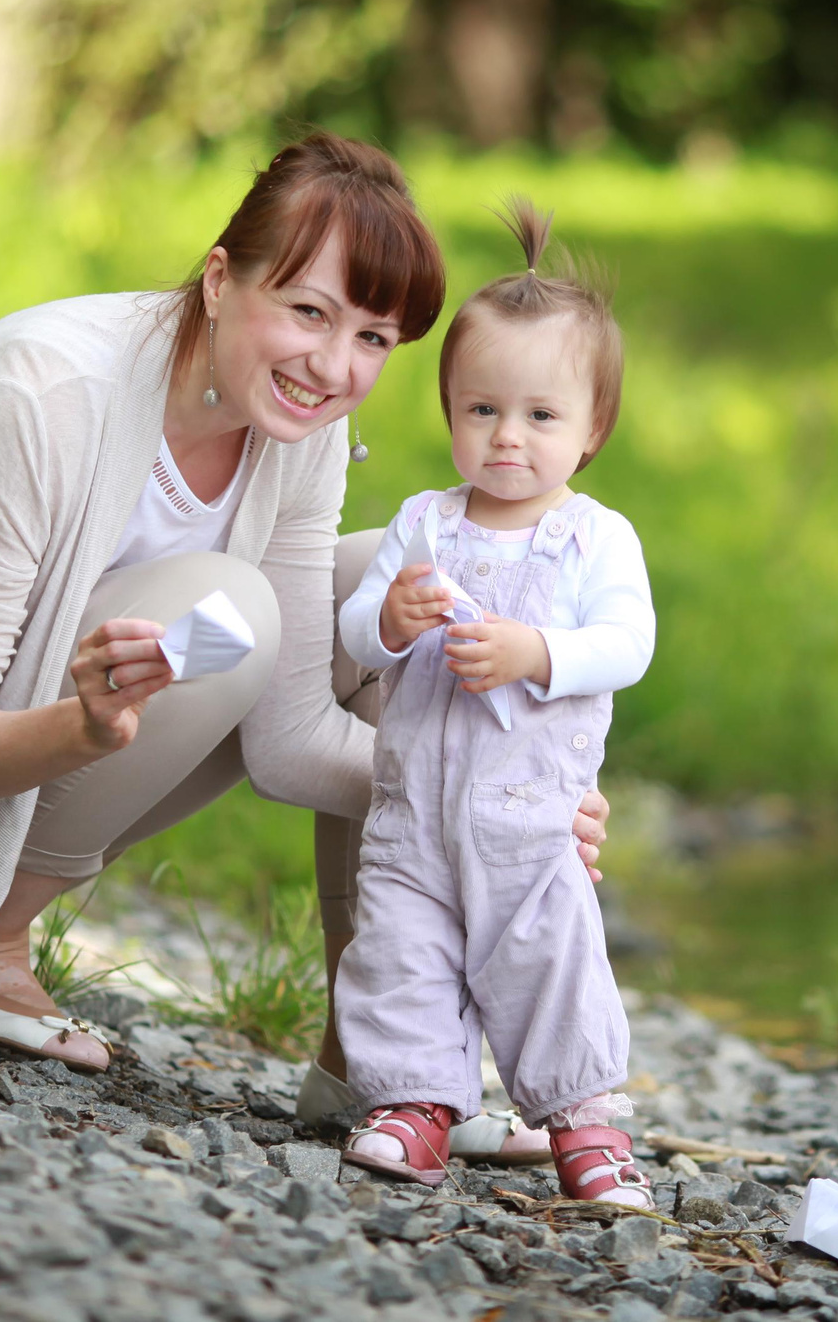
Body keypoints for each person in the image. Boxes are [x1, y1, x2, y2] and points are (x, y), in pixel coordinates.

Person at [0, 138, 605, 1168]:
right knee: (229, 600)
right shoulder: (40, 392)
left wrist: (511, 799)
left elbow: (290, 744)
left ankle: (384, 1063)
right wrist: (76, 727)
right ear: (217, 278)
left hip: (65, 746)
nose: (336, 369)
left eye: (375, 338)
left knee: (397, 587)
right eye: (307, 311)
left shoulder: (303, 428)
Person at [328, 201, 657, 1205]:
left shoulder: (596, 539)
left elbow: (629, 646)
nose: (506, 438)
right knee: (399, 948)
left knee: (549, 962)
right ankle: (417, 1104)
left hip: (528, 820)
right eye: (481, 411)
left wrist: (534, 652)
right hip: (414, 811)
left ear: (591, 430)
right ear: (450, 412)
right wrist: (389, 615)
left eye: (541, 416)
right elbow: (350, 642)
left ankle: (583, 1126)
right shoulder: (425, 523)